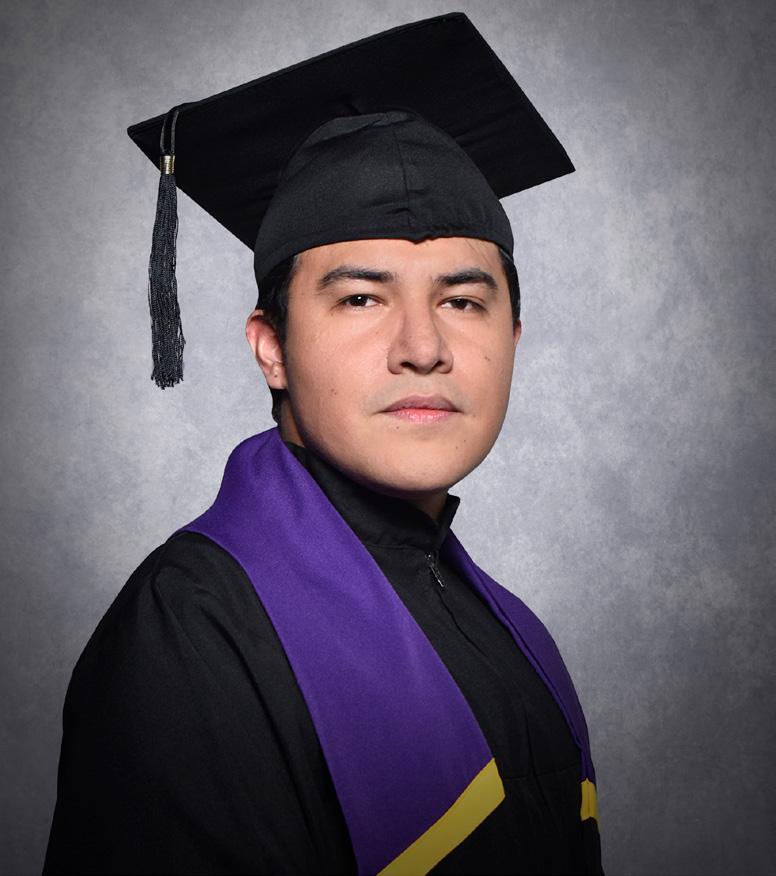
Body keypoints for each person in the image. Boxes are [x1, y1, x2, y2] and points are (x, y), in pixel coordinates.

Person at [44, 13, 602, 876]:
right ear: (271, 347)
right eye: (361, 299)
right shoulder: (190, 634)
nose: (424, 347)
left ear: (514, 338)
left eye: (462, 301)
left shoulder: (511, 629)